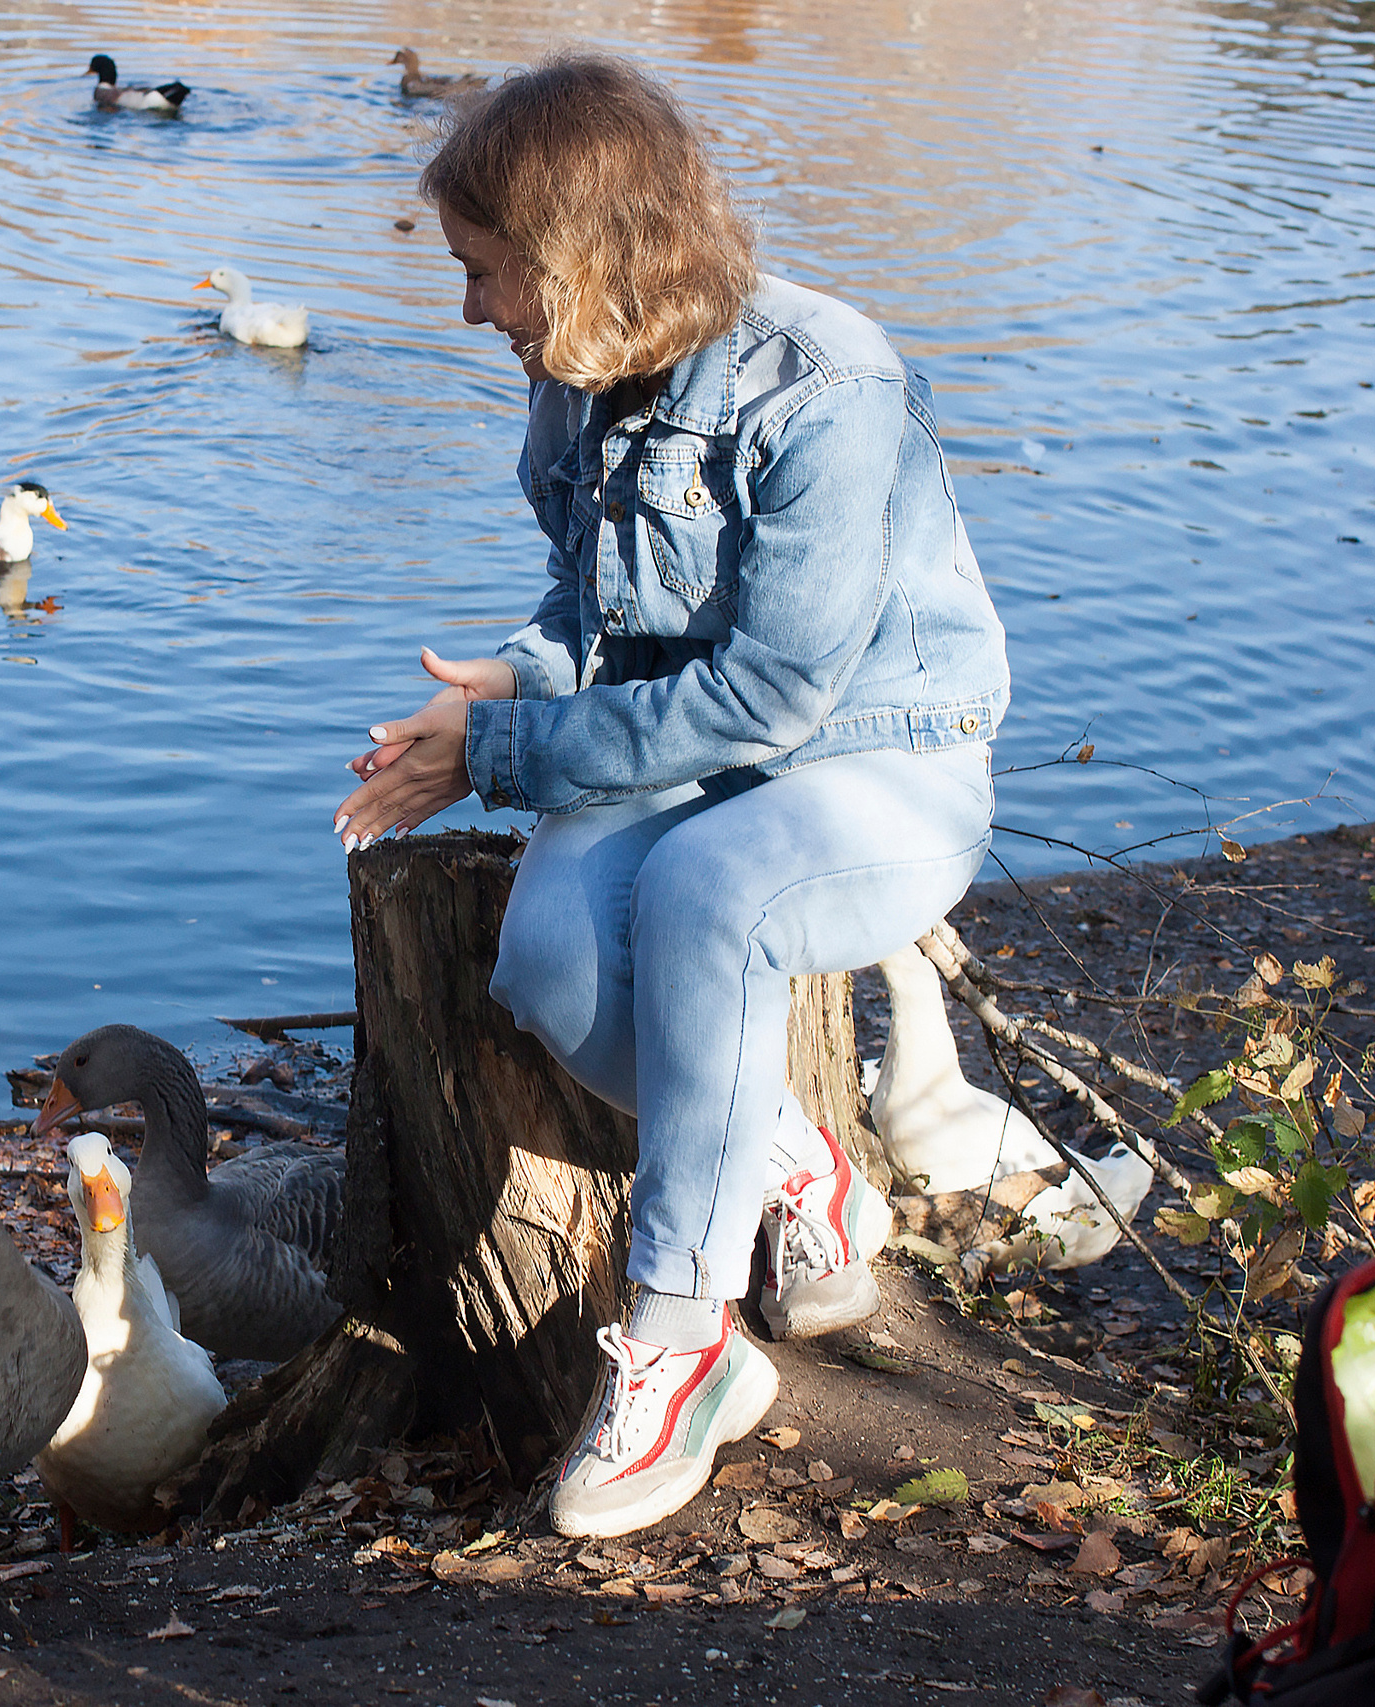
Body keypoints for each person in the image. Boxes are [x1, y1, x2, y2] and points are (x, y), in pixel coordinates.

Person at [332, 55, 1010, 1540]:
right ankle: (792, 1158)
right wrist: (499, 687)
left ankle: (686, 1333)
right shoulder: (572, 383)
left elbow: (777, 696)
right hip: (689, 759)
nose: (472, 309)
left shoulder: (828, 384)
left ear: (577, 256)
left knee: (714, 893)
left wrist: (501, 762)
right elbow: (600, 615)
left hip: (878, 766)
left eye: (487, 270)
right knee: (549, 960)